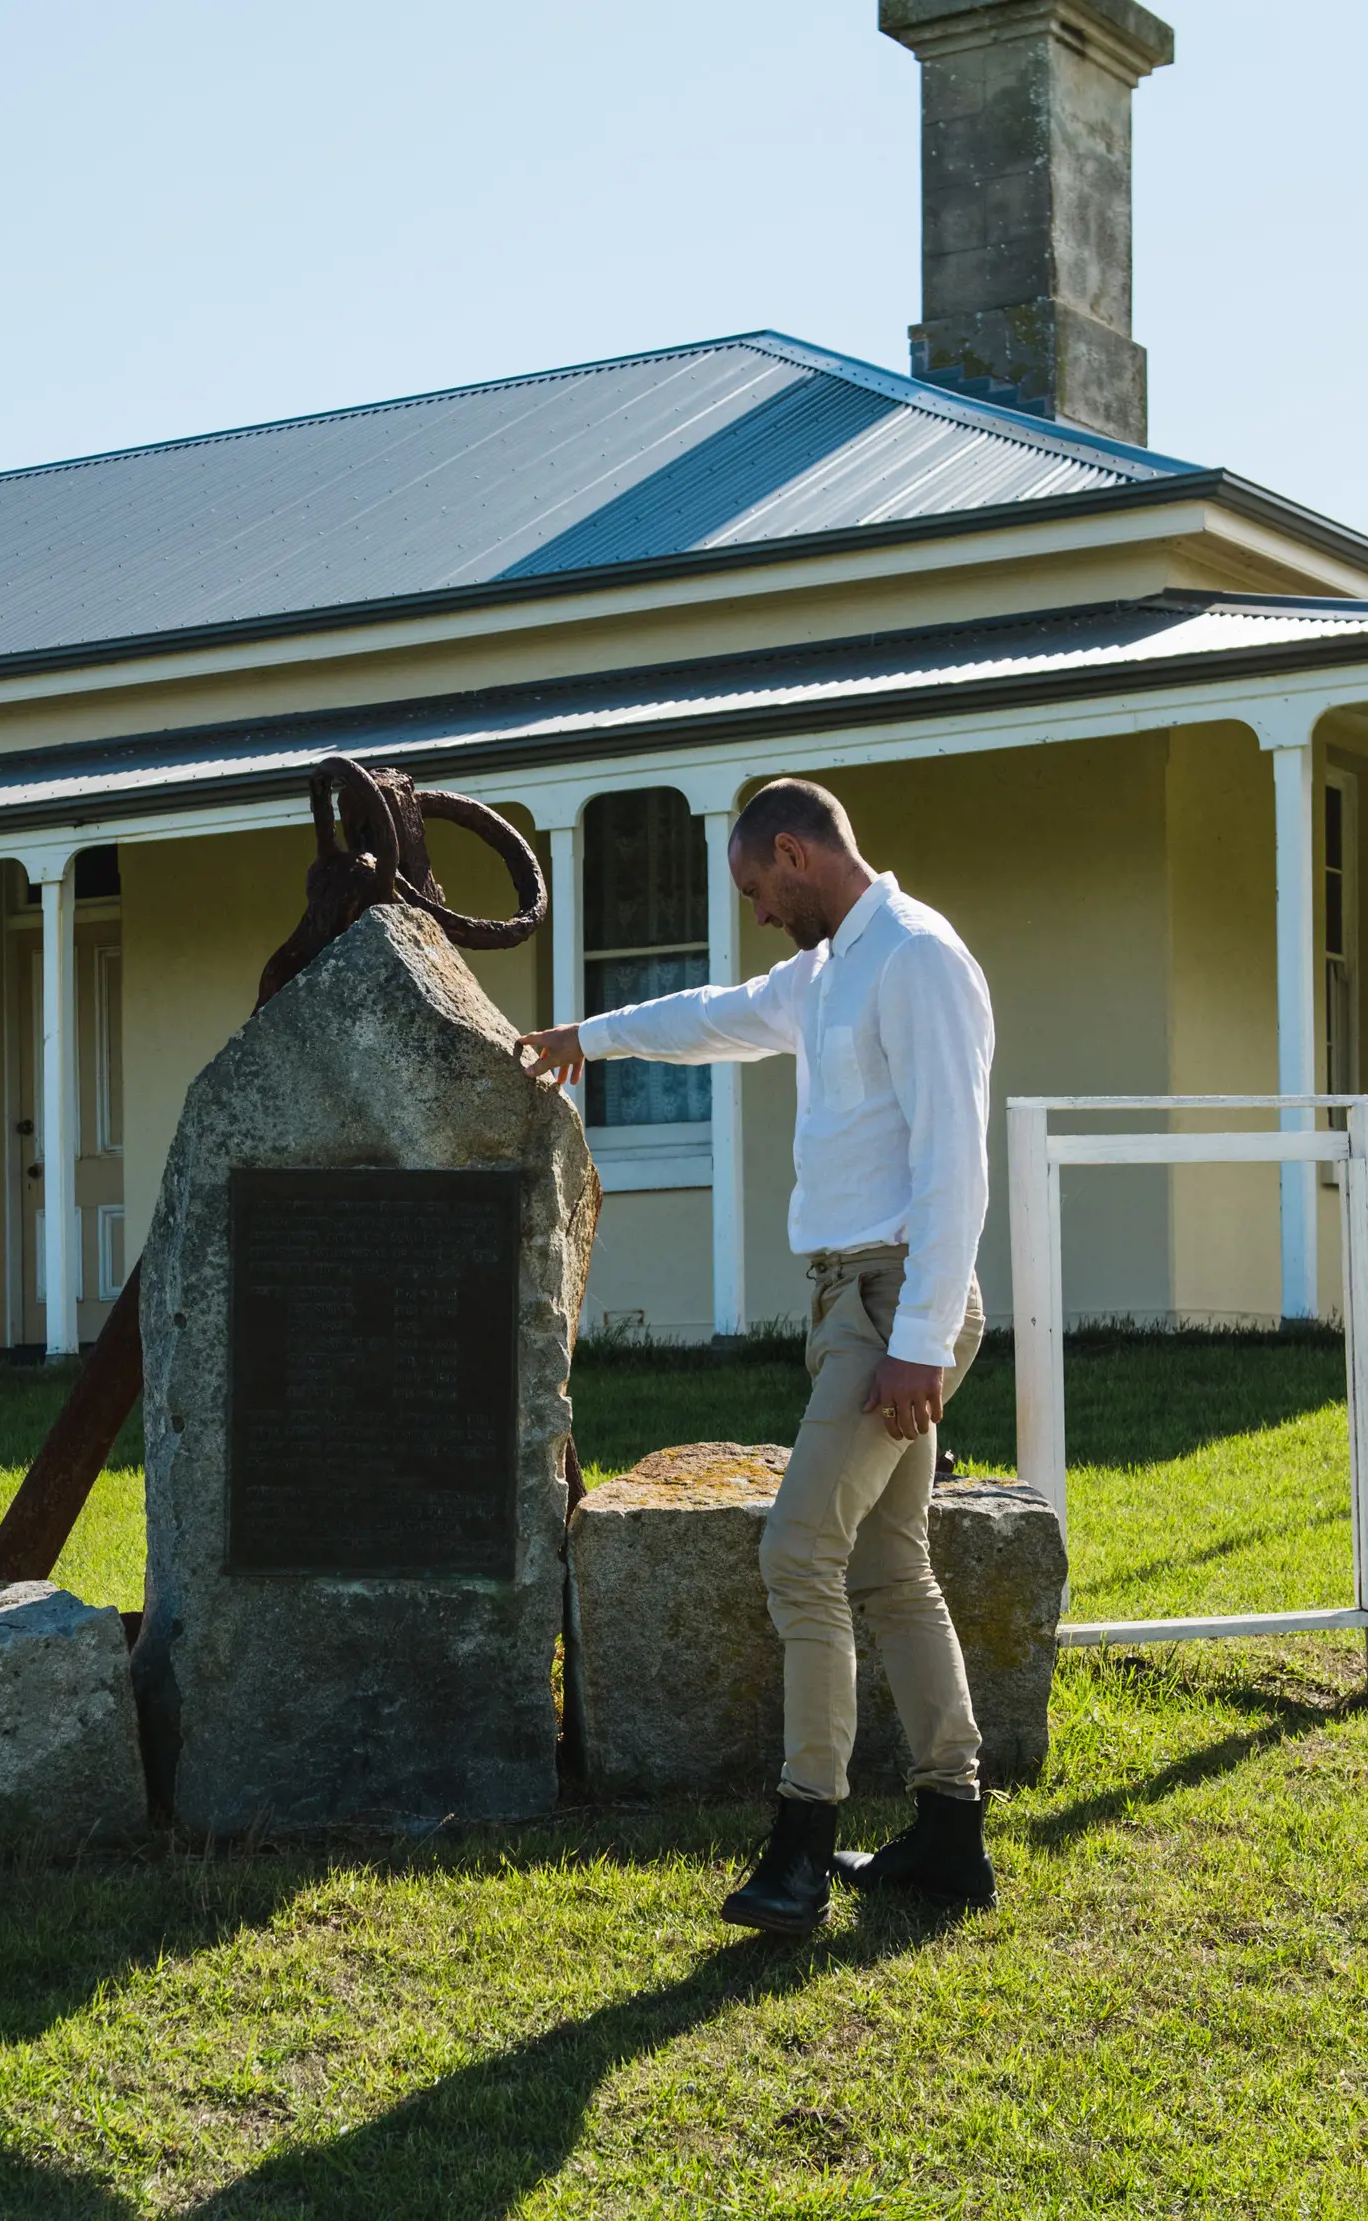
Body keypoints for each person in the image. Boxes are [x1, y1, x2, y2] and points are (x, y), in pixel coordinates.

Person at [514, 777, 997, 1932]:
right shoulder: (826, 973)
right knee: (888, 1566)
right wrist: (588, 1037)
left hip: (894, 1306)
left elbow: (956, 1165)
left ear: (794, 853)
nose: (757, 913)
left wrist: (919, 1343)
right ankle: (949, 1833)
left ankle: (799, 1844)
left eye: (755, 890)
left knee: (796, 1552)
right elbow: (713, 1014)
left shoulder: (917, 958)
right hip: (851, 1302)